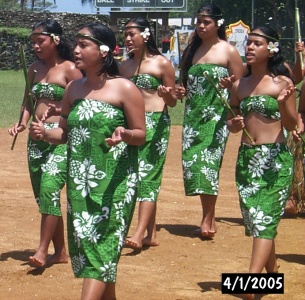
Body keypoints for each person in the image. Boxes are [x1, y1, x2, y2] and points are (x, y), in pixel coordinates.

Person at [29, 22, 145, 300]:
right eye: (77, 44)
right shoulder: (73, 89)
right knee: (93, 252)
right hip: (80, 186)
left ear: (104, 51)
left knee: (100, 252)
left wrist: (125, 133)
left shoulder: (125, 89)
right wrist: (44, 133)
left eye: (84, 45)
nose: (77, 50)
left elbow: (141, 134)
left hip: (114, 186)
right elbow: (64, 134)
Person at [227, 26, 297, 300]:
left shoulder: (282, 83)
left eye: (257, 43)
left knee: (264, 219)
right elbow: (232, 122)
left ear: (272, 49)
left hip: (275, 160)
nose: (250, 47)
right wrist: (233, 123)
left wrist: (282, 105)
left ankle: (251, 282)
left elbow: (292, 124)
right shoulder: (239, 85)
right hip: (247, 160)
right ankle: (273, 274)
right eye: (249, 43)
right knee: (258, 221)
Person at [8, 19, 82, 267]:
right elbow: (28, 101)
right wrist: (21, 123)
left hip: (61, 136)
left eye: (40, 41)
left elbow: (81, 105)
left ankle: (41, 250)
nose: (36, 46)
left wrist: (60, 112)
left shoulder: (71, 69)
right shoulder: (34, 69)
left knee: (50, 188)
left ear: (55, 40)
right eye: (33, 42)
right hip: (35, 138)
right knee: (44, 197)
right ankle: (60, 252)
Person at [175, 4, 244, 238]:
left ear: (218, 24)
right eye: (199, 21)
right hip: (193, 117)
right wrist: (181, 91)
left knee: (208, 165)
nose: (201, 26)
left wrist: (230, 85)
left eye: (207, 22)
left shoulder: (228, 51)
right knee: (194, 166)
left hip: (216, 118)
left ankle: (207, 220)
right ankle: (209, 217)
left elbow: (241, 84)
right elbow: (185, 83)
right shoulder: (191, 50)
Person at [119, 18, 177, 249]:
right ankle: (151, 234)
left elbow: (173, 102)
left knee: (148, 176)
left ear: (145, 35)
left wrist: (166, 94)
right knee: (135, 173)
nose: (127, 38)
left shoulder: (162, 63)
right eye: (125, 34)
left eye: (131, 33)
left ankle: (139, 232)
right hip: (132, 125)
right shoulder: (123, 67)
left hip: (156, 124)